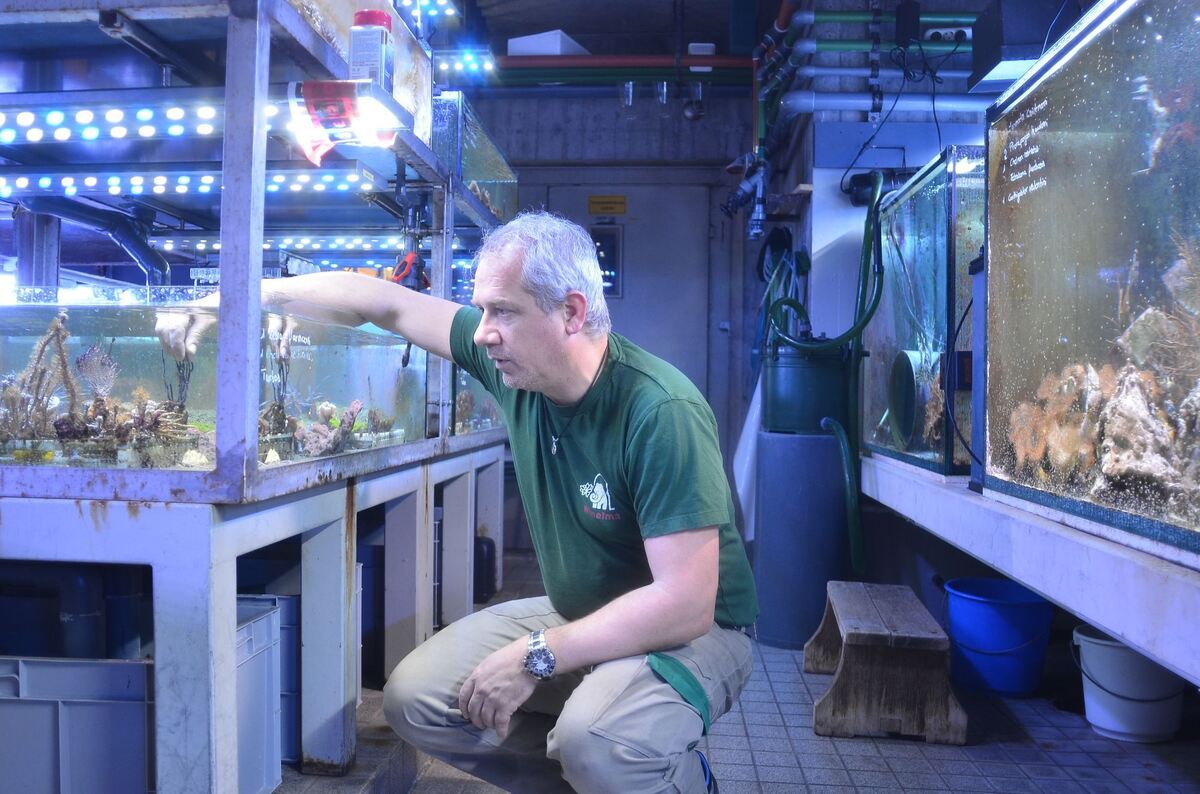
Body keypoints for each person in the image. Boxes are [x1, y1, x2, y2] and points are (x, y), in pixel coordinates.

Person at [158, 211, 758, 793]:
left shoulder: (660, 412)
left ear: (572, 313)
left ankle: (663, 779)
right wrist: (229, 300)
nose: (481, 332)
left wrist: (538, 655)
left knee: (596, 742)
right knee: (419, 698)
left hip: (695, 634)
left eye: (504, 311)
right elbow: (383, 303)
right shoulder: (517, 373)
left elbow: (685, 604)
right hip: (587, 612)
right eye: (482, 309)